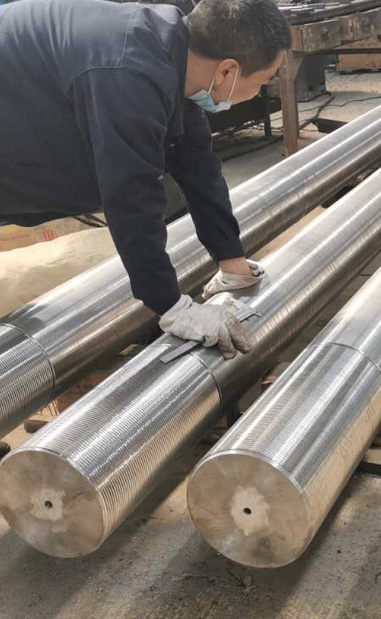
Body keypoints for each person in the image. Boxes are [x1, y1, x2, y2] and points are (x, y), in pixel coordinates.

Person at [0, 0, 291, 358]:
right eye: (262, 81)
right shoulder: (127, 72)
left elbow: (198, 165)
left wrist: (231, 259)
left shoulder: (177, 56)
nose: (262, 90)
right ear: (228, 71)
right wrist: (172, 306)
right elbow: (131, 197)